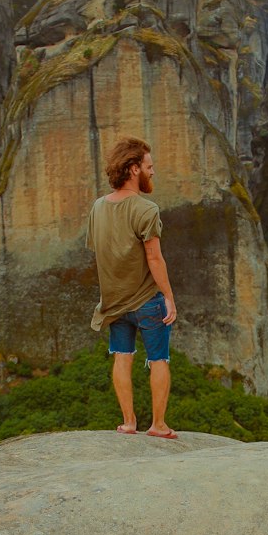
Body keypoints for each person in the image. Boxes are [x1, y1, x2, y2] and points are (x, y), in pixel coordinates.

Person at [85, 137, 178, 439]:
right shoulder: (145, 209)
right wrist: (169, 296)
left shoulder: (98, 207)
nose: (153, 172)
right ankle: (159, 425)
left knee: (122, 357)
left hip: (115, 303)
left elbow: (99, 250)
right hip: (148, 301)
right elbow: (154, 257)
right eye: (149, 167)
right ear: (134, 168)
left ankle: (128, 422)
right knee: (159, 359)